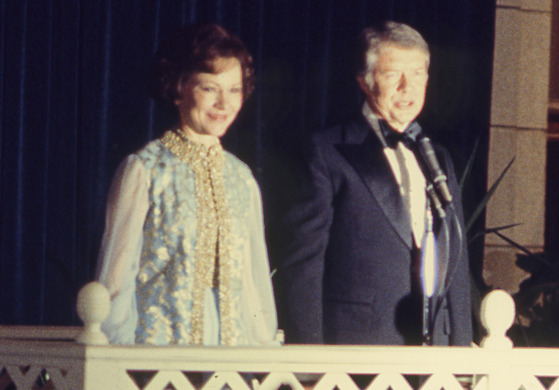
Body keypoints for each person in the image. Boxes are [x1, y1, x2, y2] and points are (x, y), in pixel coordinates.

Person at [276, 21, 472, 346]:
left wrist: (463, 360)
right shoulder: (325, 151)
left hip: (434, 356)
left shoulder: (438, 157)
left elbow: (457, 264)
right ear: (365, 82)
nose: (407, 88)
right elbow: (303, 269)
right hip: (359, 351)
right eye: (393, 74)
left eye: (418, 73)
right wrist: (308, 367)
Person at [95, 23, 278, 346]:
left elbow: (253, 284)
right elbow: (117, 278)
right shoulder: (145, 169)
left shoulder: (242, 178)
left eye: (234, 90)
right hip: (161, 352)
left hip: (229, 353)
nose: (224, 103)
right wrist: (116, 361)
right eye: (210, 88)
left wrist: (260, 354)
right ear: (179, 87)